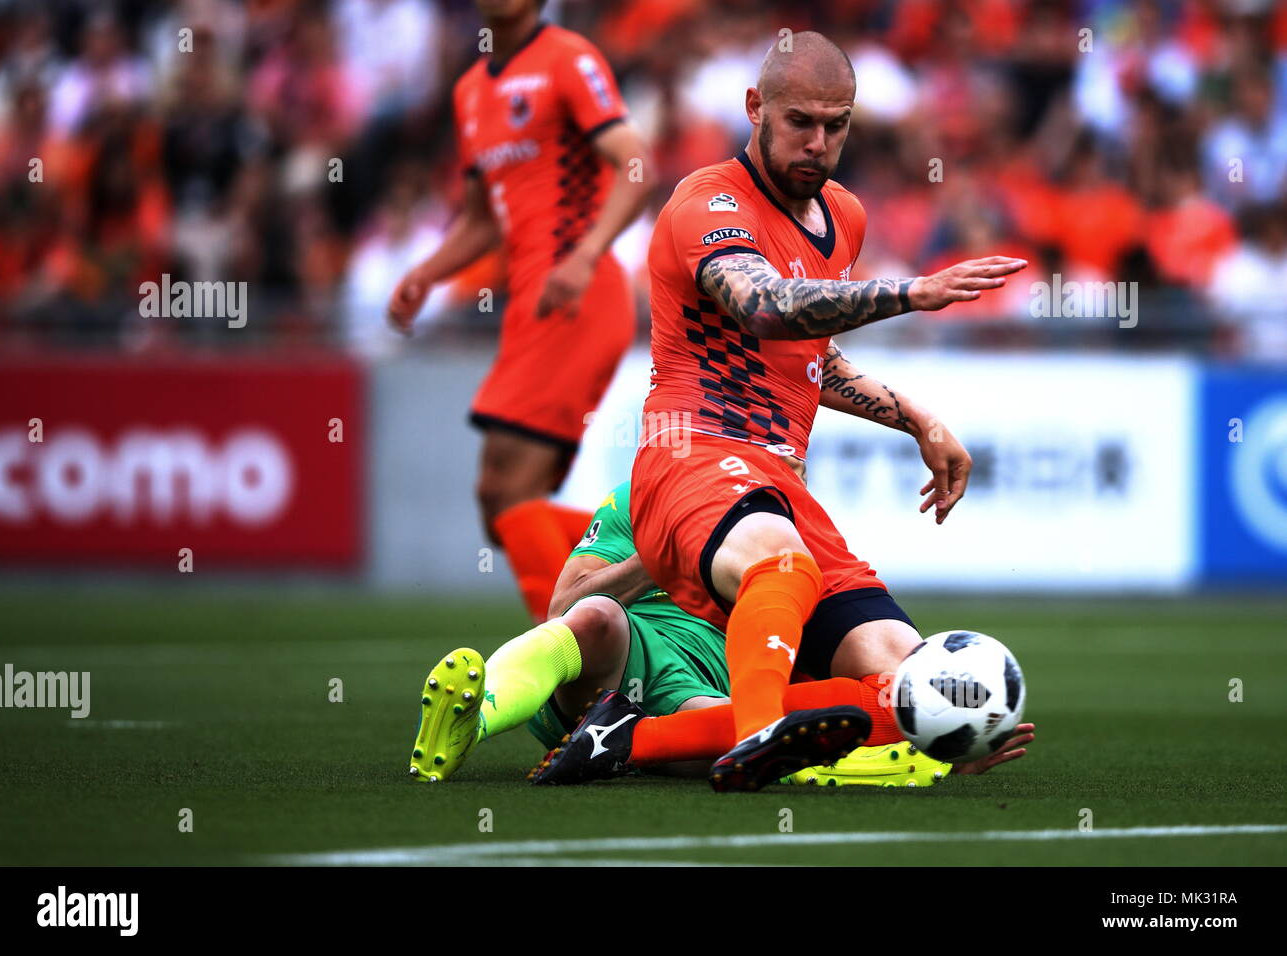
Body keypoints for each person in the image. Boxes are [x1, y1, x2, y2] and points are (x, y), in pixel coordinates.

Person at [624, 31, 1026, 790]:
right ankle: (755, 743)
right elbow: (766, 307)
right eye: (800, 121)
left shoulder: (843, 215)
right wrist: (911, 292)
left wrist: (915, 416)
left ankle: (633, 737)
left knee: (909, 682)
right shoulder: (706, 203)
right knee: (781, 559)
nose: (818, 142)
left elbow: (811, 356)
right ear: (755, 109)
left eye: (836, 126)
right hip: (691, 458)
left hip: (780, 481)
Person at [409, 481, 1034, 787]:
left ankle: (891, 762)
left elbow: (846, 649)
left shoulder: (785, 529)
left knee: (732, 725)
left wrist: (925, 725)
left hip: (706, 679)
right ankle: (475, 715)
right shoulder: (640, 499)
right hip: (627, 647)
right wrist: (662, 555)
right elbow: (562, 606)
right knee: (594, 619)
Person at [386, 0, 655, 621]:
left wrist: (588, 253)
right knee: (499, 504)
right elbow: (484, 218)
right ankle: (663, 561)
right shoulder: (471, 92)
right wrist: (426, 274)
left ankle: (570, 666)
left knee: (509, 491)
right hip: (530, 306)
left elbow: (637, 163)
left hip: (577, 298)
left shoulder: (567, 58)